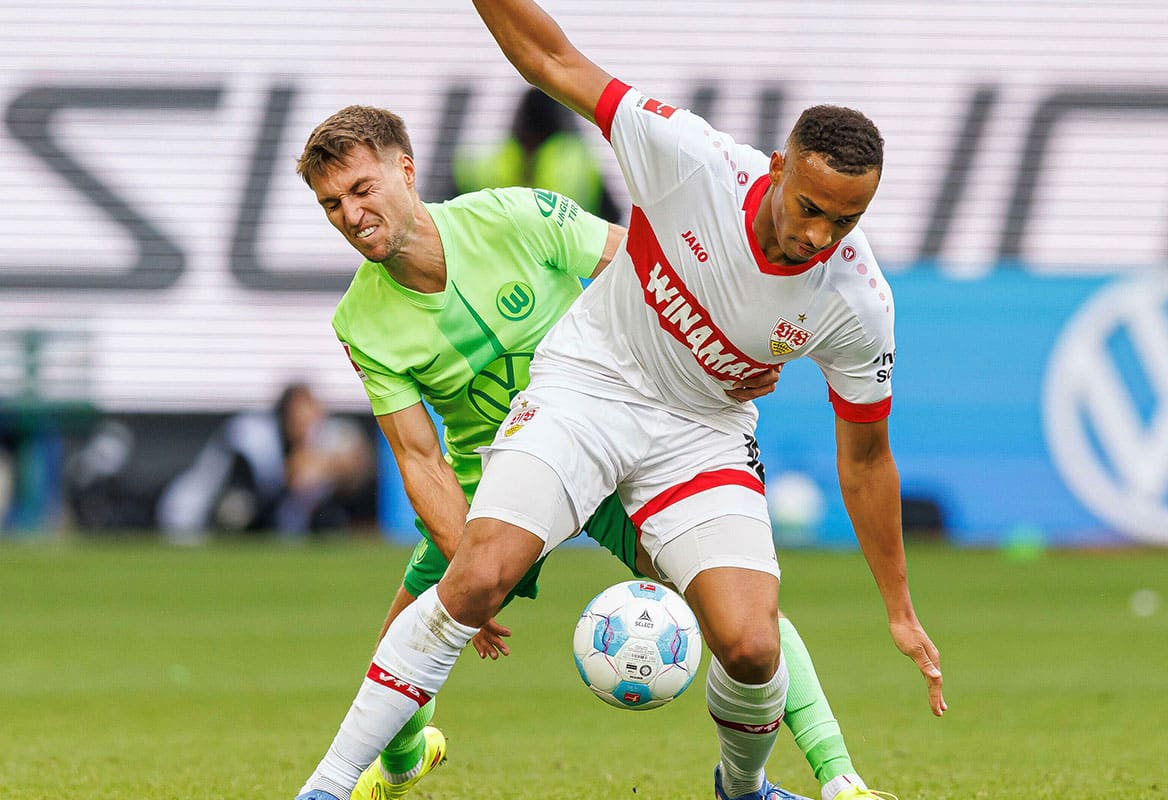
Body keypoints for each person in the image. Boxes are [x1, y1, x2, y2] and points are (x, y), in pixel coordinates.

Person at [292, 103, 895, 800]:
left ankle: (837, 779)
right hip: (492, 481)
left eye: (361, 190)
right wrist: (471, 572)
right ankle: (400, 764)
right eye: (331, 204)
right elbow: (419, 460)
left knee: (736, 611)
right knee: (414, 631)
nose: (350, 215)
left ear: (406, 170)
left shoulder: (516, 216)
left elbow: (646, 264)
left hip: (613, 432)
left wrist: (729, 339)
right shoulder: (360, 320)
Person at [156, 382, 372, 538]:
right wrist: (293, 476)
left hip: (260, 524)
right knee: (238, 510)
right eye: (300, 419)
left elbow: (356, 465)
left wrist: (333, 469)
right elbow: (239, 501)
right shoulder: (253, 436)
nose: (307, 428)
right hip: (195, 515)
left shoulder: (317, 442)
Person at [453, 86, 621, 221]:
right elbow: (613, 217)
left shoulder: (489, 162)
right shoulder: (576, 161)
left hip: (500, 258)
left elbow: (452, 213)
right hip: (562, 259)